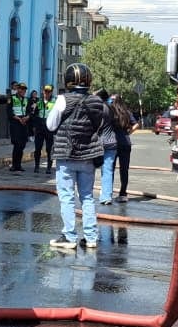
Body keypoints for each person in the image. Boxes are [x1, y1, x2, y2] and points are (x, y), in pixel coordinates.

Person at [45, 63, 107, 250]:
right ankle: (91, 237)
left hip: (67, 154)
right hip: (88, 155)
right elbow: (99, 126)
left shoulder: (63, 99)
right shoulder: (97, 101)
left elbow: (50, 125)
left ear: (68, 80)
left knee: (67, 197)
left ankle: (69, 236)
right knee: (87, 196)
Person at [95, 89, 119, 204]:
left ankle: (86, 194)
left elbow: (97, 126)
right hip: (112, 142)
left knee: (90, 169)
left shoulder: (100, 109)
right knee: (108, 170)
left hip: (100, 143)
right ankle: (106, 197)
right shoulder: (111, 108)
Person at [111, 95, 136, 202]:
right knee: (124, 169)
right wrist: (129, 132)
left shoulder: (111, 112)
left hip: (112, 143)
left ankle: (108, 192)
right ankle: (123, 193)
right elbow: (136, 124)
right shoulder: (127, 112)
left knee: (110, 169)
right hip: (125, 142)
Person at [6, 82, 30, 172]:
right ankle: (14, 165)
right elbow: (9, 112)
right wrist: (19, 119)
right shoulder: (12, 98)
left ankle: (19, 164)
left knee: (22, 145)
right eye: (21, 89)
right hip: (15, 123)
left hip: (24, 123)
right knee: (17, 144)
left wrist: (27, 117)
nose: (23, 91)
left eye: (24, 90)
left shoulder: (27, 99)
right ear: (18, 89)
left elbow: (29, 111)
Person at [35, 83, 57, 175]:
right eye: (45, 91)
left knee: (49, 149)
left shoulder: (55, 102)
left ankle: (49, 167)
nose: (46, 93)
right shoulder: (39, 102)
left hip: (49, 128)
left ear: (51, 92)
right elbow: (35, 114)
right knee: (38, 148)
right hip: (40, 128)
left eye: (48, 92)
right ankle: (37, 166)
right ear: (43, 92)